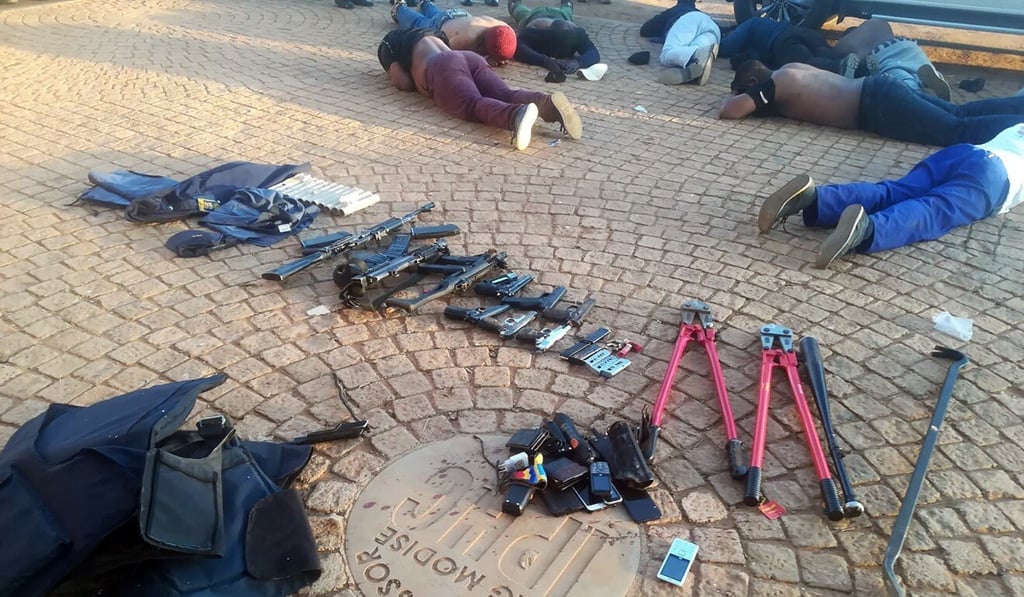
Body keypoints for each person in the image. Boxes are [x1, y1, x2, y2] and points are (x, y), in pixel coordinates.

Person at [757, 124, 1023, 268]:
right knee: (933, 209)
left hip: (967, 152)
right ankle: (867, 229)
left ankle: (814, 198)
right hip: (996, 177)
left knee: (894, 190)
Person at [722, 60, 1024, 147]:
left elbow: (730, 111)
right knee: (960, 112)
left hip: (875, 105)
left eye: (743, 90)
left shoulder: (780, 84)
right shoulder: (791, 68)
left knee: (956, 131)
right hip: (878, 88)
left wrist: (734, 97)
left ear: (753, 82)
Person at [378, 28, 583, 151]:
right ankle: (548, 104)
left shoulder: (388, 45)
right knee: (505, 94)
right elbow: (451, 53)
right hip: (468, 58)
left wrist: (408, 75)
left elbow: (402, 83)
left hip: (441, 67)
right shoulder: (426, 32)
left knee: (471, 104)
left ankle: (515, 115)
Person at [834, 19, 950, 100]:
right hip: (909, 47)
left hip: (888, 54)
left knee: (904, 80)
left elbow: (841, 51)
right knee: (920, 69)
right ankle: (934, 82)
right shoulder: (880, 28)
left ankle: (919, 91)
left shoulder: (857, 43)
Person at [391, 0, 518, 65]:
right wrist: (483, 59)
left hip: (459, 15)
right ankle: (399, 9)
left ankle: (425, 3)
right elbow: (447, 52)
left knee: (436, 13)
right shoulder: (468, 37)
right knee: (419, 22)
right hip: (440, 26)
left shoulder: (505, 28)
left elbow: (506, 44)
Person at [508, 0, 601, 79]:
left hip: (557, 16)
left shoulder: (575, 34)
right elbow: (519, 49)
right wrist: (545, 61)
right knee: (519, 11)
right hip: (535, 16)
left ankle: (515, 3)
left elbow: (594, 53)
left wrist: (578, 62)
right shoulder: (535, 32)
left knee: (567, 9)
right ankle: (514, 3)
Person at [719, 18, 843, 72]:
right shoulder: (758, 24)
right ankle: (847, 61)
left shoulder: (747, 26)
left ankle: (840, 67)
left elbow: (726, 47)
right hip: (804, 33)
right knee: (824, 52)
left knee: (807, 63)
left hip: (783, 40)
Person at [647, 3, 721, 86]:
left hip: (689, 19)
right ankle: (697, 60)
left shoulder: (677, 9)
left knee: (667, 53)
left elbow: (645, 30)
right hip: (714, 28)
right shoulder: (697, 12)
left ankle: (695, 54)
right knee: (701, 49)